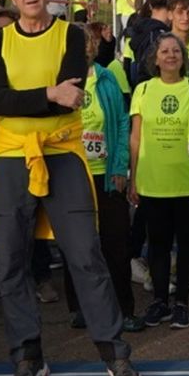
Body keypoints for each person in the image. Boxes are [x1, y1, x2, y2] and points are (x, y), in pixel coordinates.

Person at [0, 0, 138, 376]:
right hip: (13, 156)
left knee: (86, 253)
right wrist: (47, 93)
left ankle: (114, 350)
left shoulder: (71, 34)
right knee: (12, 260)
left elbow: (70, 96)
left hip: (63, 154)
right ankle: (27, 352)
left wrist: (33, 98)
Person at [62, 23, 143, 333]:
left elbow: (122, 124)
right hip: (71, 176)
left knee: (116, 244)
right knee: (78, 245)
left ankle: (124, 309)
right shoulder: (58, 81)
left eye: (86, 43)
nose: (83, 49)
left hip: (106, 175)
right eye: (75, 44)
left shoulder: (107, 78)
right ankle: (79, 307)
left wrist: (120, 166)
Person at [129, 33, 189, 330]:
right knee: (158, 246)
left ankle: (182, 302)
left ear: (184, 58)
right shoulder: (143, 90)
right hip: (153, 181)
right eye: (165, 51)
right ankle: (160, 300)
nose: (171, 55)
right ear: (155, 58)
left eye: (176, 51)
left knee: (188, 244)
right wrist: (133, 177)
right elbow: (136, 137)